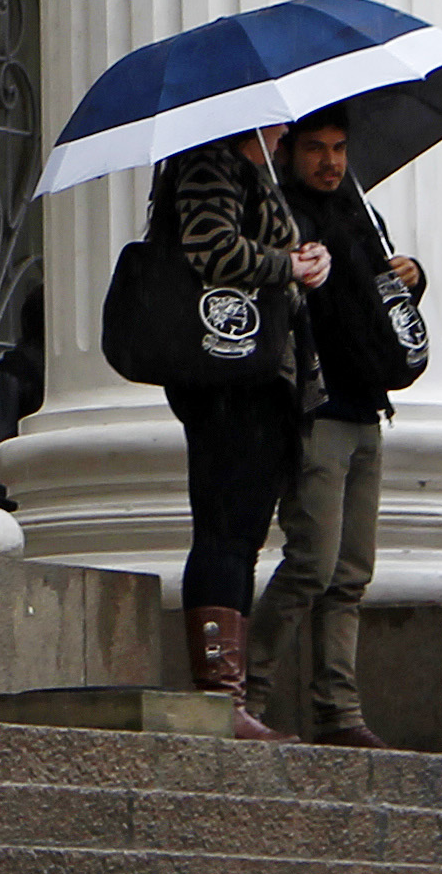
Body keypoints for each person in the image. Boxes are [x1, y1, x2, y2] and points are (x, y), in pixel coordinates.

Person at [253, 111, 421, 747]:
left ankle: (340, 712)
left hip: (366, 408)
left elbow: (375, 306)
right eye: (317, 149)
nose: (330, 161)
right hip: (318, 410)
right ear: (292, 152)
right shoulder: (282, 215)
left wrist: (410, 276)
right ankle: (249, 691)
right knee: (311, 565)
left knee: (351, 573)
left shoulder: (360, 213)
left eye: (340, 149)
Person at [154, 126, 324, 740]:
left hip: (256, 373)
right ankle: (221, 697)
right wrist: (288, 266)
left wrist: (310, 262)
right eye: (278, 120)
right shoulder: (209, 162)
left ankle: (232, 696)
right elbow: (211, 249)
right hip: (226, 374)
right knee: (225, 529)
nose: (285, 129)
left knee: (242, 533)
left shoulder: (255, 172)